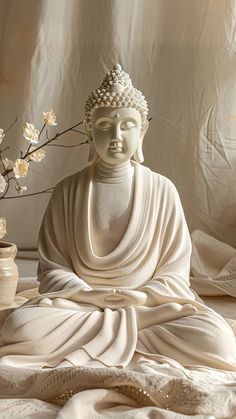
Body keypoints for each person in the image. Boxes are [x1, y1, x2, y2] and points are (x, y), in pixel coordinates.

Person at [0, 64, 235, 370]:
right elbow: (52, 268)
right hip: (81, 307)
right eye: (104, 126)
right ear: (89, 130)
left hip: (147, 310)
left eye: (127, 125)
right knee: (21, 327)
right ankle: (125, 339)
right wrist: (89, 295)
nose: (116, 135)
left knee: (215, 337)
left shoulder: (162, 190)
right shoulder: (68, 191)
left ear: (142, 131)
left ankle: (107, 340)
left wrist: (141, 298)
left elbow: (175, 272)